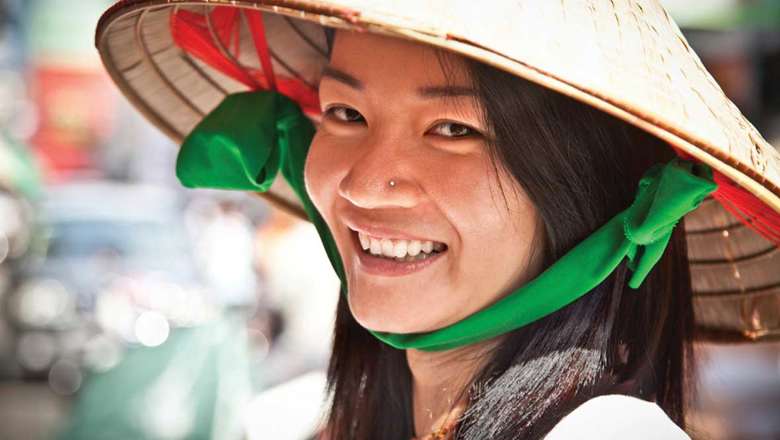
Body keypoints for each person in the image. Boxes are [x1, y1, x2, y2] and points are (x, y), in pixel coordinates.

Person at [94, 1, 780, 439]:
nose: (365, 183)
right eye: (345, 114)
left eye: (453, 128)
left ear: (586, 189)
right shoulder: (298, 419)